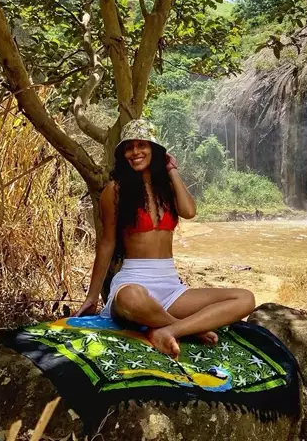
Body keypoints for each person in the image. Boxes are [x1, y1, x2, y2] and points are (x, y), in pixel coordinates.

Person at [76, 119, 255, 356]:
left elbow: (189, 212)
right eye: (129, 147)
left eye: (142, 145)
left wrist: (172, 171)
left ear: (155, 149)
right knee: (131, 298)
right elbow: (107, 242)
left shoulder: (167, 189)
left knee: (245, 298)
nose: (135, 152)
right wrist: (91, 295)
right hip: (134, 281)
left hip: (171, 287)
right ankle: (188, 329)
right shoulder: (115, 190)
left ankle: (168, 329)